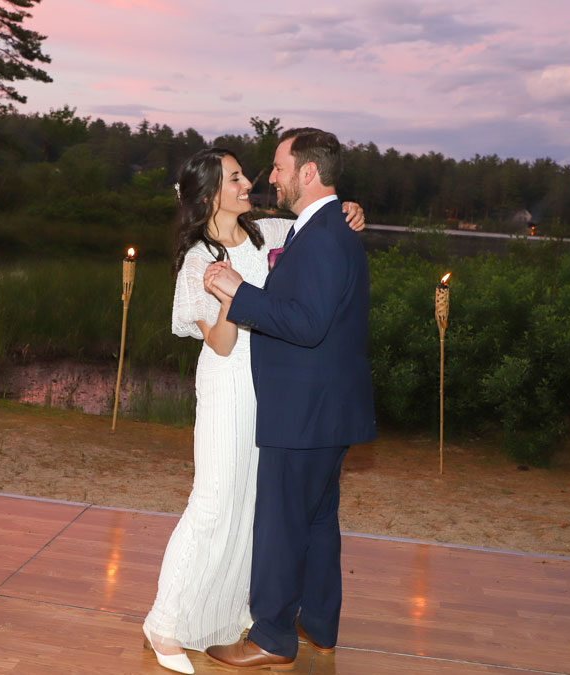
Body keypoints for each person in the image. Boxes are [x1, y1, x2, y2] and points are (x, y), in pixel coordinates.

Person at [142, 147, 365, 674]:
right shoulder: (197, 258)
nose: (250, 183)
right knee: (214, 502)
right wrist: (226, 296)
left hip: (274, 390)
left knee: (253, 507)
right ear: (209, 194)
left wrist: (351, 209)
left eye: (246, 174)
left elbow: (318, 224)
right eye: (236, 177)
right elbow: (220, 344)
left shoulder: (267, 231)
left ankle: (232, 612)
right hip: (228, 390)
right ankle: (164, 621)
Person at [203, 128, 376, 670]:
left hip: (304, 413)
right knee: (319, 521)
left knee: (280, 524)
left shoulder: (324, 236)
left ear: (306, 172)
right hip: (325, 410)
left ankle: (273, 637)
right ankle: (319, 624)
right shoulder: (320, 228)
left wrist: (238, 292)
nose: (268, 177)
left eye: (278, 167)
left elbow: (306, 325)